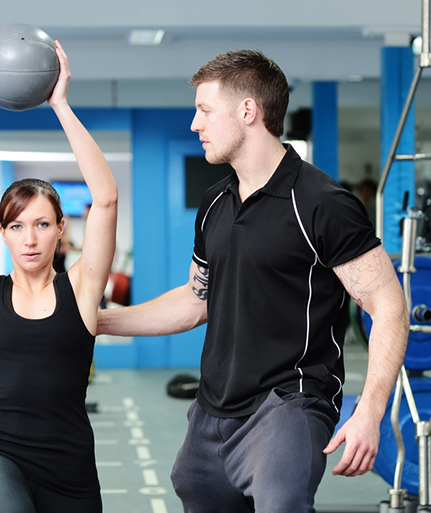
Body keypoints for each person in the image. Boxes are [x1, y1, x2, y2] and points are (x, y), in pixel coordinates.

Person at [97, 49, 409, 513]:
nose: (195, 124)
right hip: (213, 409)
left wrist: (370, 411)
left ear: (248, 111)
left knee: (281, 503)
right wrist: (97, 321)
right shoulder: (214, 203)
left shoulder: (322, 203)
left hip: (288, 404)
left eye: (205, 110)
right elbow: (195, 301)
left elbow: (389, 305)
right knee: (194, 488)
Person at [0, 38, 117, 513]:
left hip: (71, 469)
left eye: (41, 224)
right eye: (16, 226)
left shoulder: (82, 289)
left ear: (61, 229)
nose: (29, 238)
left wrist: (61, 105)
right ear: (3, 233)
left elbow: (106, 198)